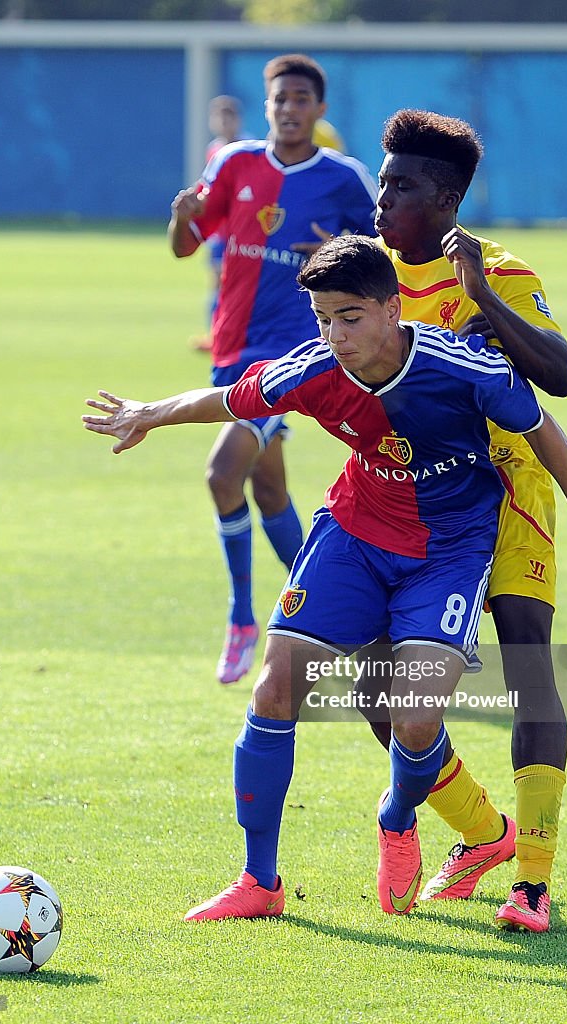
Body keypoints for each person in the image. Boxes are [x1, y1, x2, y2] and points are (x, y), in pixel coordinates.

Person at [83, 237, 567, 925]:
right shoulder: (312, 368)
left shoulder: (459, 365)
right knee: (276, 686)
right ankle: (258, 880)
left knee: (414, 717)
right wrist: (148, 413)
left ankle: (396, 814)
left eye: (350, 317)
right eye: (322, 318)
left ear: (392, 309)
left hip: (449, 548)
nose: (334, 335)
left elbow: (541, 427)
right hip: (354, 533)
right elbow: (230, 398)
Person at [362, 109, 567, 932]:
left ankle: (530, 880)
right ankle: (479, 831)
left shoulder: (501, 270)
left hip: (506, 488)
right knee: (367, 681)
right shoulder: (371, 276)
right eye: (381, 182)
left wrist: (481, 298)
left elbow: (558, 374)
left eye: (402, 187)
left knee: (528, 667)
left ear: (449, 197)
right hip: (405, 496)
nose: (382, 199)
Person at [167, 54, 377, 685]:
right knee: (268, 490)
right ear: (268, 107)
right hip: (231, 347)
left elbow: (386, 260)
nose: (289, 110)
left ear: (320, 109)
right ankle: (335, 616)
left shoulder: (343, 178)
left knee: (221, 472)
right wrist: (182, 216)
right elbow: (186, 247)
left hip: (295, 355)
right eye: (279, 99)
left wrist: (337, 255)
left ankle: (241, 618)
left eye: (300, 100)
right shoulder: (233, 164)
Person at [190, 95, 248, 354]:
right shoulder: (214, 149)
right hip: (220, 231)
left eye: (229, 116)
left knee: (237, 282)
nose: (224, 122)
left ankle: (231, 332)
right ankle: (215, 334)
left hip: (242, 230)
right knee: (216, 282)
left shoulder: (250, 148)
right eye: (219, 117)